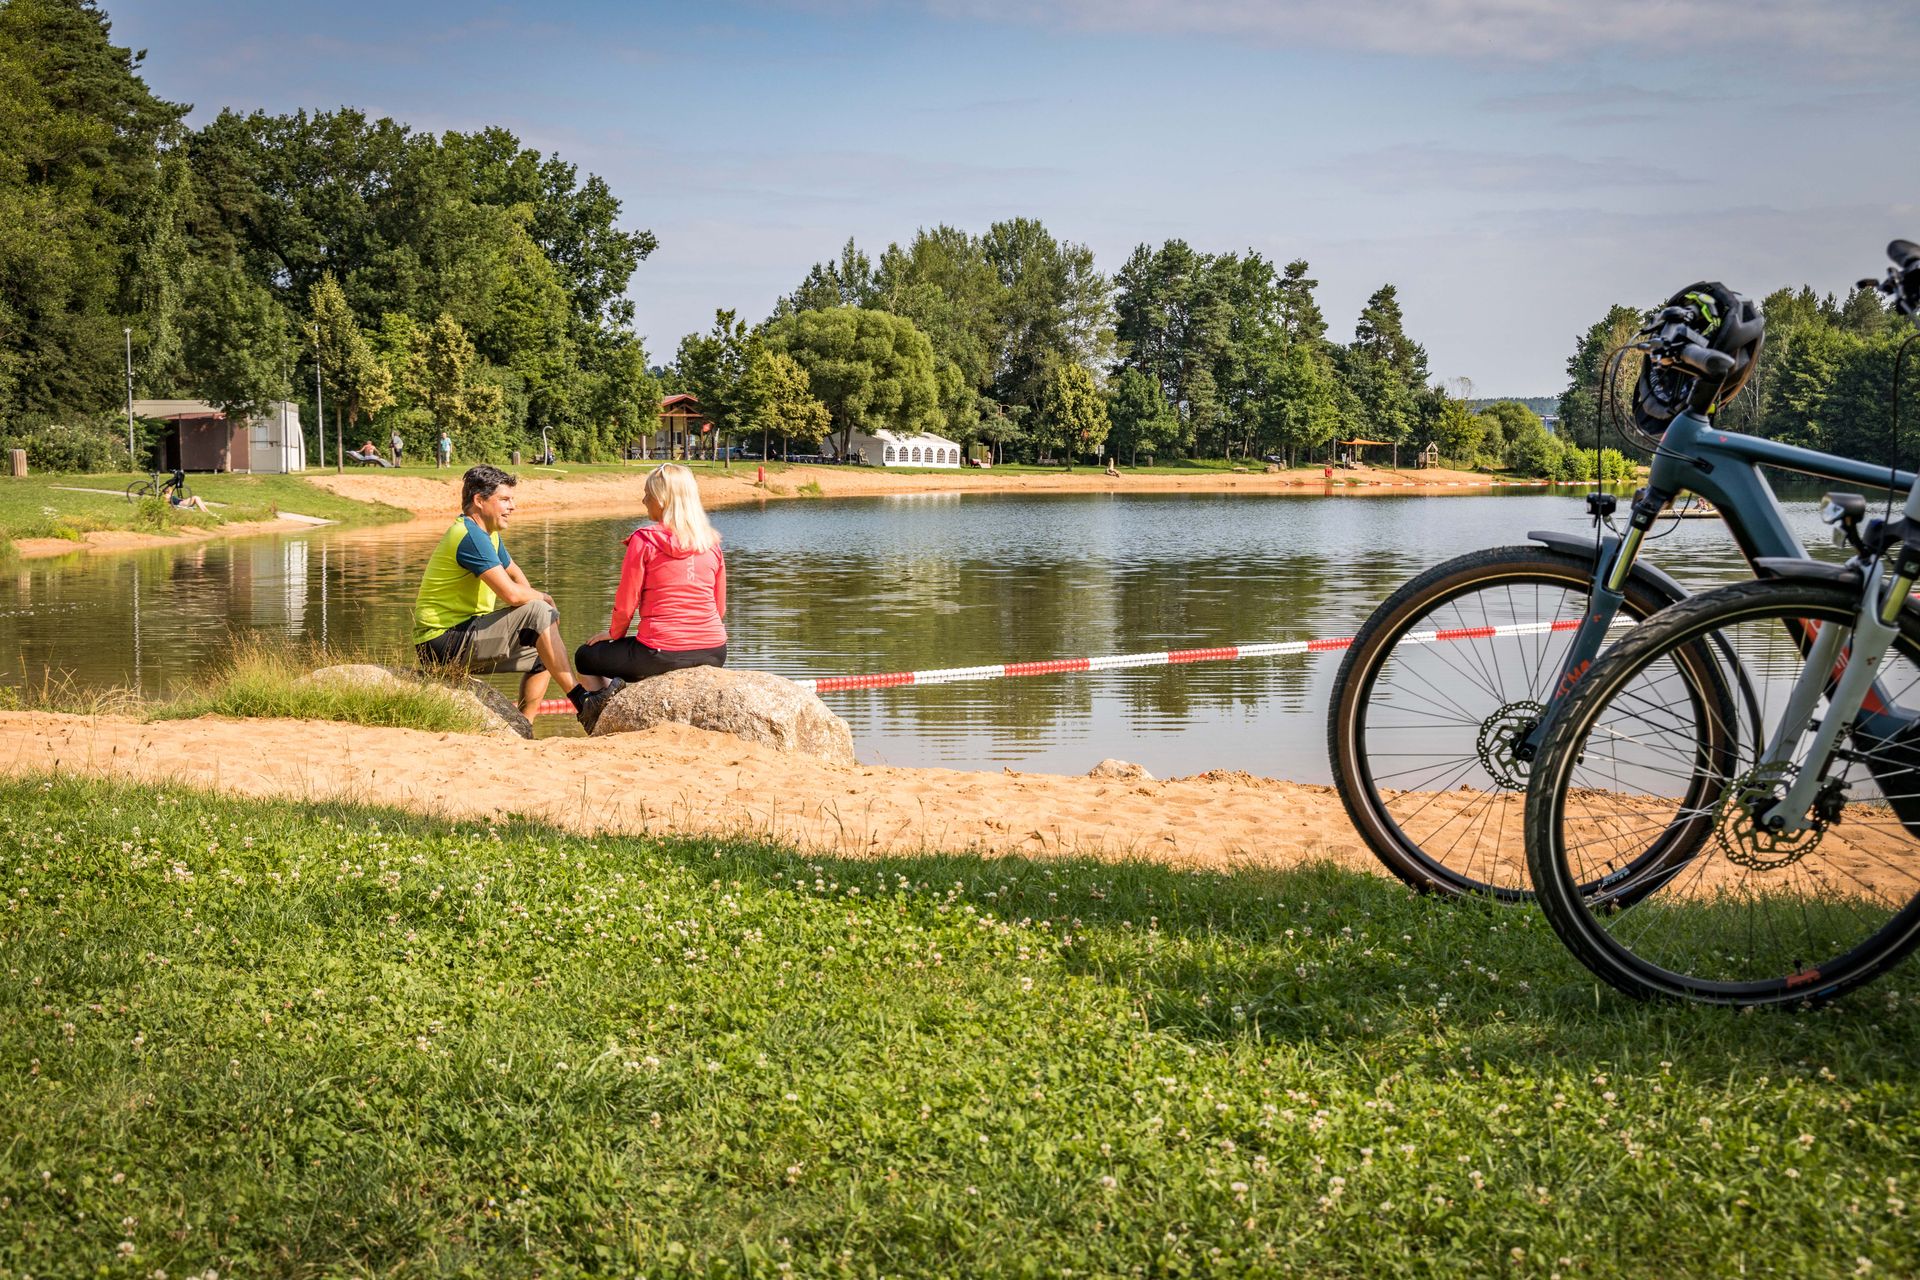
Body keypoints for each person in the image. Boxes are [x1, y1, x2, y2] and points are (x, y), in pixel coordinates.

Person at [413, 464, 615, 726]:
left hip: (463, 634)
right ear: (479, 501)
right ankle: (581, 701)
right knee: (539, 611)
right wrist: (543, 603)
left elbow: (515, 573)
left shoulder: (487, 535)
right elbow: (510, 593)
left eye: (512, 499)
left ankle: (523, 725)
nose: (513, 506)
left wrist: (544, 621)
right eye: (505, 500)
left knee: (546, 653)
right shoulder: (469, 536)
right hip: (441, 641)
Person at [575, 463, 727, 684]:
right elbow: (719, 607)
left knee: (585, 657)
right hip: (714, 652)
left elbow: (627, 602)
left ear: (663, 500)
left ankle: (601, 712)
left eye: (648, 494)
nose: (644, 500)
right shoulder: (711, 543)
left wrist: (614, 633)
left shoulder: (644, 540)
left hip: (660, 652)